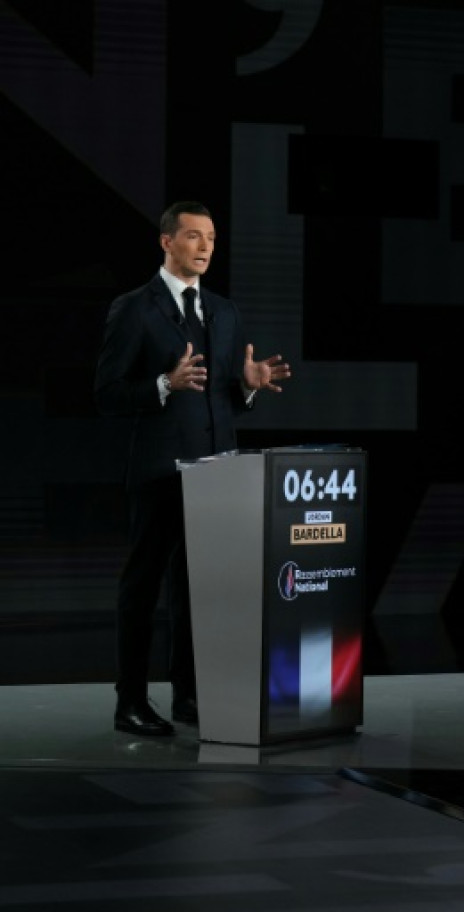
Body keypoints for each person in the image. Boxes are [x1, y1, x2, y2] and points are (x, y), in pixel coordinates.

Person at [94, 201, 292, 737]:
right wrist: (163, 384)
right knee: (143, 586)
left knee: (197, 589)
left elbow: (221, 395)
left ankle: (189, 696)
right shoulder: (134, 308)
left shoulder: (223, 312)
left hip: (216, 474)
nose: (204, 247)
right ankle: (130, 701)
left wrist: (247, 386)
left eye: (210, 238)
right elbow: (106, 394)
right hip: (159, 470)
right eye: (192, 237)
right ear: (166, 242)